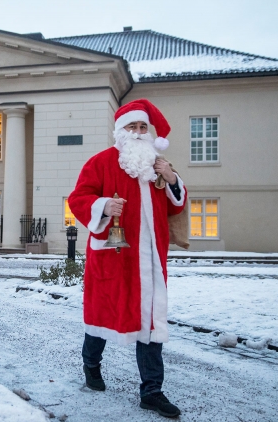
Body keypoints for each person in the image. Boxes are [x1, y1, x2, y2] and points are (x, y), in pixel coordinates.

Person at [68, 99, 187, 418]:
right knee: (102, 317)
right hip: (114, 257)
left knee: (150, 321)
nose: (137, 132)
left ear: (149, 132)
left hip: (150, 260)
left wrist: (172, 179)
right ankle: (91, 365)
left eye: (142, 127)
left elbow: (174, 208)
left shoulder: (158, 165)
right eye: (131, 127)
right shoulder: (102, 162)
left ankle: (152, 391)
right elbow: (79, 197)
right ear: (120, 132)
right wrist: (103, 205)